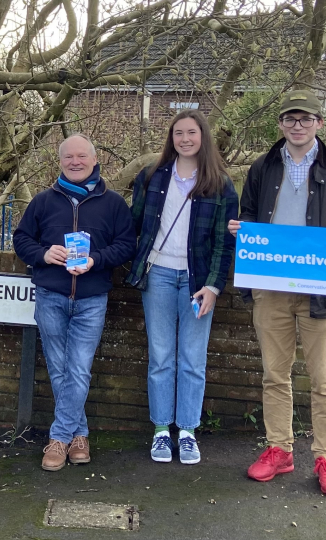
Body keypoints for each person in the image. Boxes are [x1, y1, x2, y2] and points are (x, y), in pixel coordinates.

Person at [229, 90, 326, 495]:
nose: (297, 126)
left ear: (319, 123)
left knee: (323, 379)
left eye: (305, 119)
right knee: (274, 375)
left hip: (322, 286)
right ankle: (279, 449)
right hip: (271, 286)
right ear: (280, 124)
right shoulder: (263, 166)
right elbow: (248, 212)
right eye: (290, 119)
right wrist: (241, 230)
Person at [13, 134, 136, 471]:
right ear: (60, 162)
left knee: (78, 369)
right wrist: (43, 253)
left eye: (82, 156)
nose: (75, 162)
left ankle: (59, 438)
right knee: (59, 370)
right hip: (51, 296)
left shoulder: (113, 204)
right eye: (68, 157)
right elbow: (21, 239)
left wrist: (96, 259)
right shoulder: (42, 201)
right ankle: (79, 435)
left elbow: (127, 245)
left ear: (95, 160)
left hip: (91, 298)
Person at [126, 110, 238, 464]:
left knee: (192, 360)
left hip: (197, 283)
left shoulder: (220, 184)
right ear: (171, 138)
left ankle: (187, 431)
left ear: (203, 136)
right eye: (178, 133)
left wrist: (214, 287)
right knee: (160, 357)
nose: (185, 139)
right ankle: (161, 431)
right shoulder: (151, 177)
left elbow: (224, 243)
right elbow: (133, 225)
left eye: (191, 132)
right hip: (157, 274)